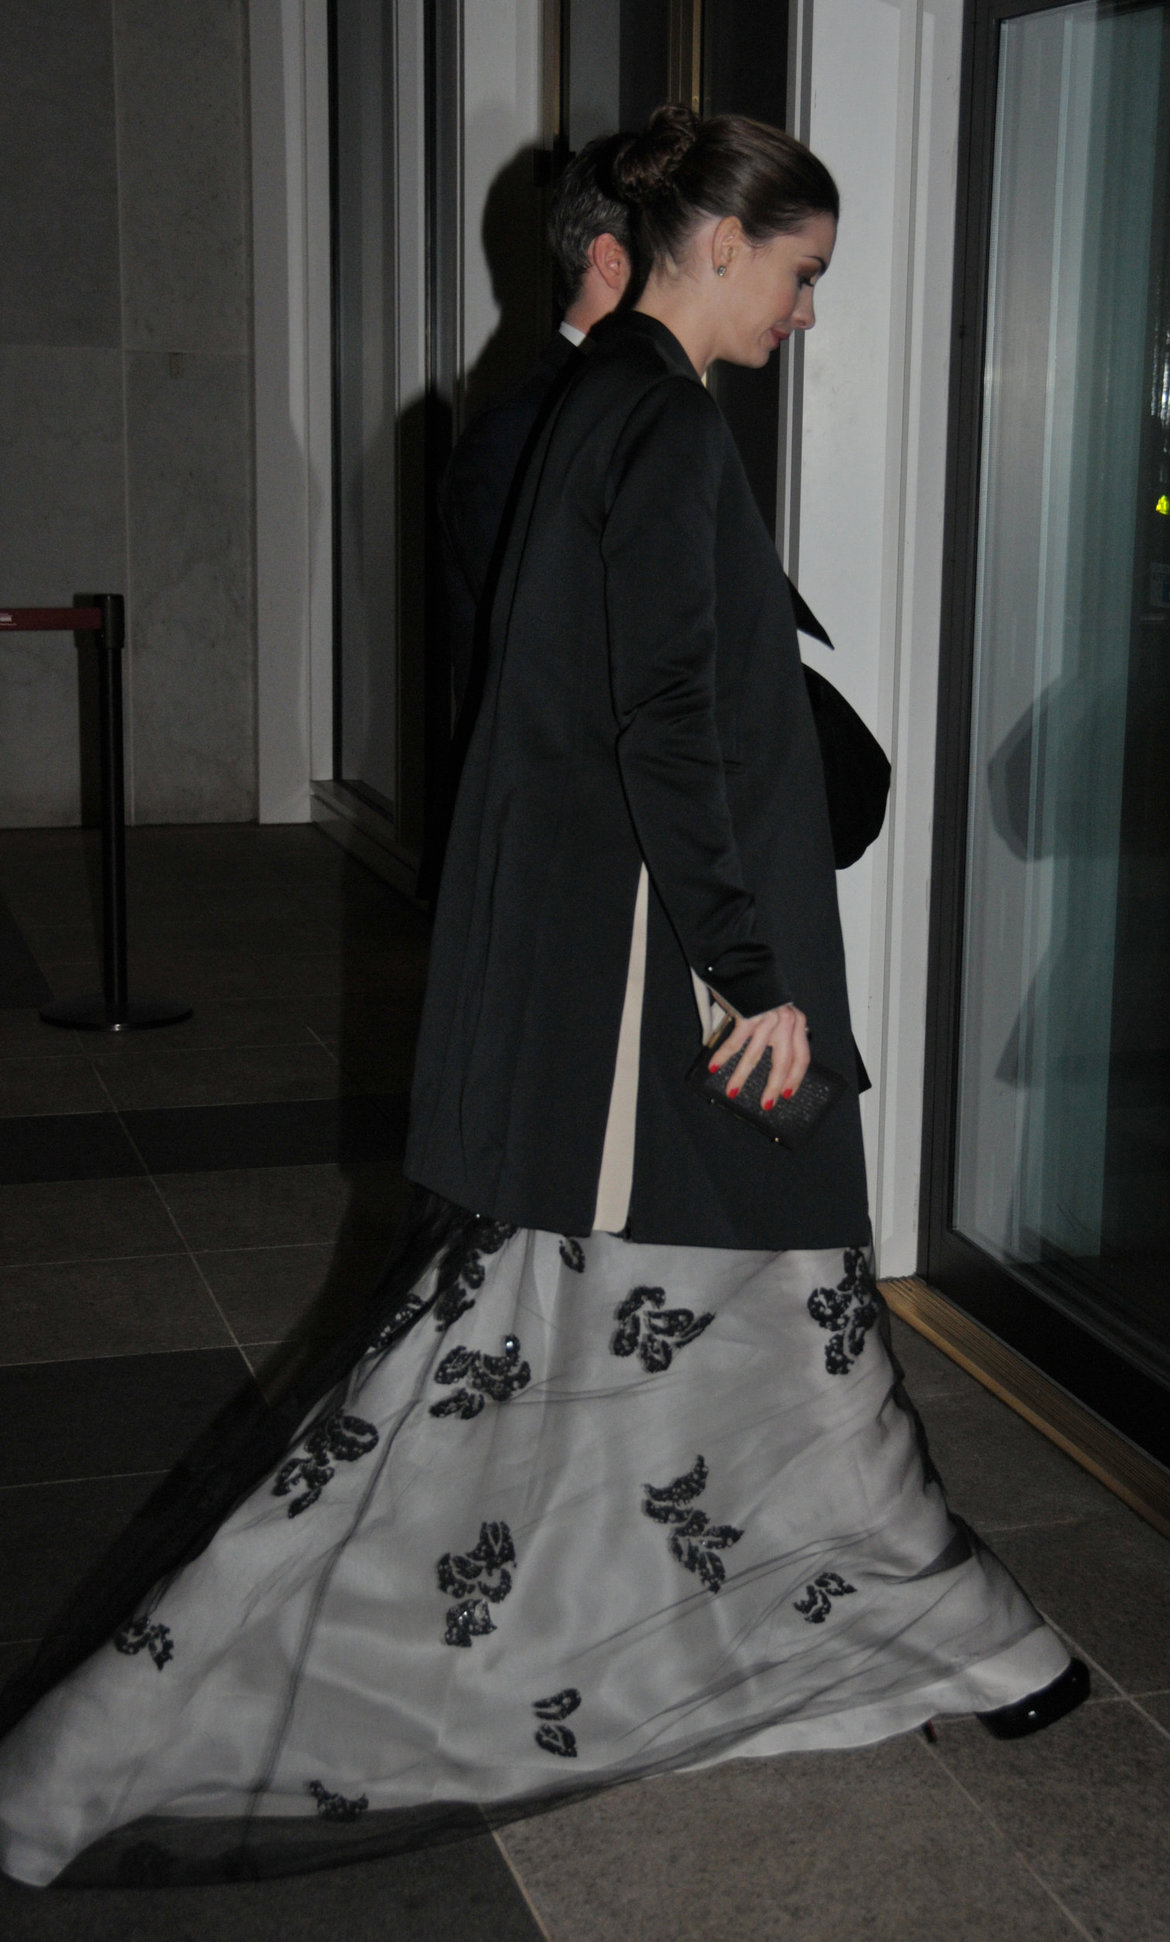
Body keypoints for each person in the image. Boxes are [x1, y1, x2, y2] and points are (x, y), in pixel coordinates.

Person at [0, 106, 1087, 1892]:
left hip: (629, 968)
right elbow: (666, 715)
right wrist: (751, 974)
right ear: (716, 244)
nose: (807, 312)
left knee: (725, 1317)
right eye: (801, 275)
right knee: (597, 1328)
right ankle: (136, 1725)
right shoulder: (649, 420)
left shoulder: (601, 412)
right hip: (670, 981)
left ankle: (944, 1626)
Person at [438, 132, 633, 719]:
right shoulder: (515, 436)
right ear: (612, 260)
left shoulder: (638, 408)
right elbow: (545, 660)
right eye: (678, 250)